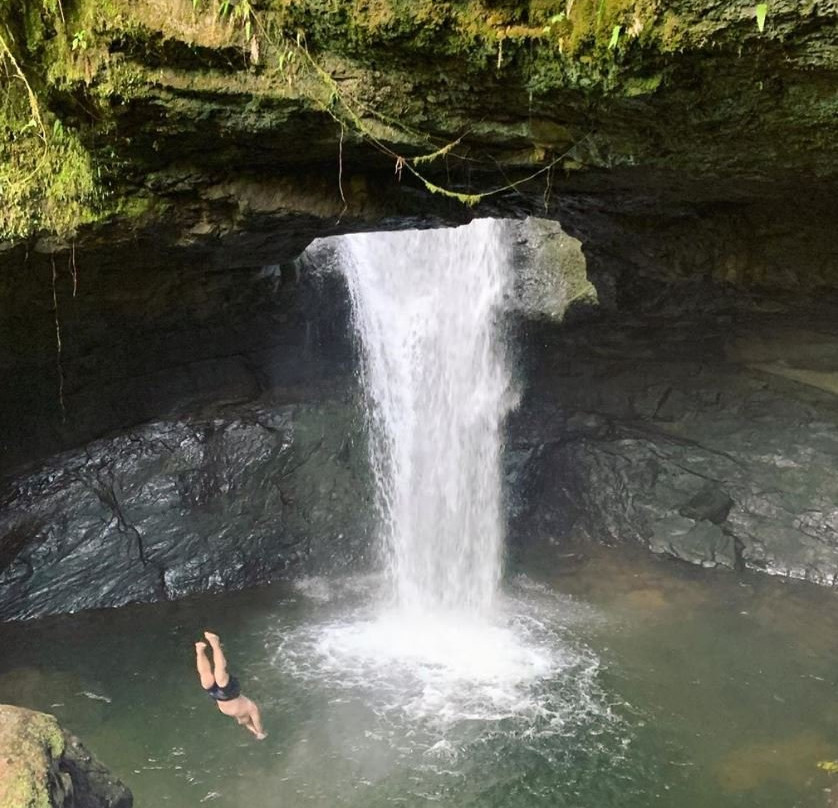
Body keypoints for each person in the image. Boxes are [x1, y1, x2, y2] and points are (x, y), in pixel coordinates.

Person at [195, 631, 267, 740]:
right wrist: (260, 732)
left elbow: (250, 725)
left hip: (218, 696)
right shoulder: (252, 708)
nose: (239, 721)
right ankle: (215, 643)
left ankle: (200, 651)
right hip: (229, 694)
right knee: (219, 672)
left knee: (205, 676)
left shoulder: (243, 718)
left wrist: (256, 733)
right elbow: (257, 723)